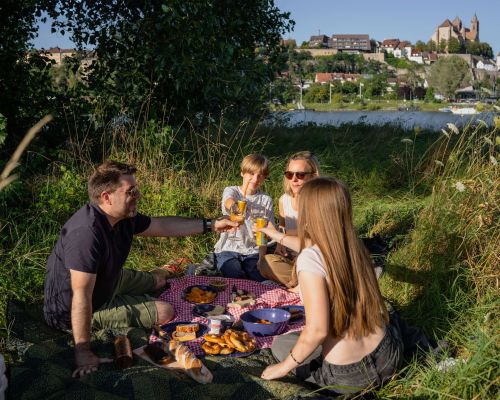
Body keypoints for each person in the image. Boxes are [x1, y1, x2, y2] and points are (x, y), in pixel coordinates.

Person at [43, 160, 238, 378]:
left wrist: (211, 225)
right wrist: (83, 351)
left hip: (108, 280)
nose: (138, 195)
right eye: (131, 192)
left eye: (137, 189)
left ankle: (162, 272)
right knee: (165, 311)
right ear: (106, 197)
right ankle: (133, 297)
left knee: (159, 282)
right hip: (76, 308)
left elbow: (161, 225)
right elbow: (81, 295)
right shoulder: (86, 234)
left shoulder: (123, 217)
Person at [258, 177, 403, 395]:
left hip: (350, 377)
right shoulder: (355, 245)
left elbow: (317, 331)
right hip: (388, 354)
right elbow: (315, 245)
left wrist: (281, 368)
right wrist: (277, 235)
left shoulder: (310, 259)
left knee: (281, 344)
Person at [258, 151, 320, 288]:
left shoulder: (318, 201)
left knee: (305, 263)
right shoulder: (284, 200)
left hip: (314, 255)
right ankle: (304, 283)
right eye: (289, 174)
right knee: (265, 263)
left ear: (313, 176)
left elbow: (312, 232)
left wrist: (278, 234)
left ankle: (303, 285)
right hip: (291, 255)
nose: (294, 179)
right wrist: (280, 245)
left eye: (300, 175)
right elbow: (282, 226)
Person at [214, 154, 274, 281]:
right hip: (229, 247)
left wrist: (262, 258)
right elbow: (228, 201)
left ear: (264, 177)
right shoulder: (233, 191)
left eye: (260, 175)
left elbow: (264, 235)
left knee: (259, 277)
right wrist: (235, 208)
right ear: (242, 173)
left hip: (253, 251)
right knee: (233, 272)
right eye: (251, 173)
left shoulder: (266, 200)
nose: (255, 179)